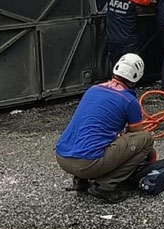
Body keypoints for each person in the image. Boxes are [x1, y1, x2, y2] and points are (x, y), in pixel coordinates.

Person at [55, 53, 154, 203]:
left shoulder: (93, 90)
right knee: (146, 139)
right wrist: (151, 156)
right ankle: (105, 187)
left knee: (90, 134)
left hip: (62, 157)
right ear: (136, 77)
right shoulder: (129, 100)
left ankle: (80, 181)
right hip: (87, 164)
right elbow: (136, 135)